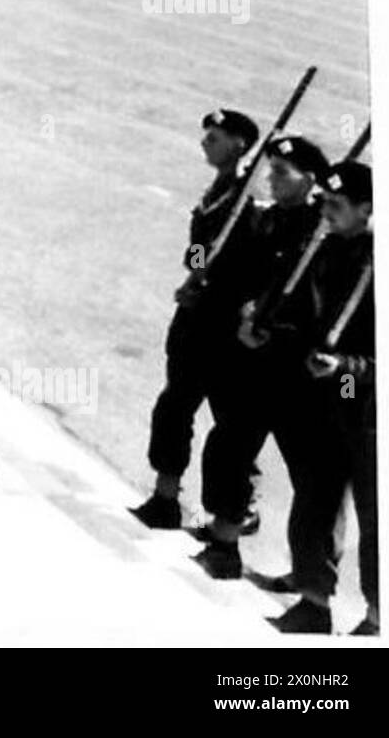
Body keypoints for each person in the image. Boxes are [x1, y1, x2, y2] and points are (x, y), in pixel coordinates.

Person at [191, 135, 327, 580]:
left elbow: (312, 303)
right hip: (245, 351)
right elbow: (211, 255)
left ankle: (310, 580)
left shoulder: (315, 230)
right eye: (269, 171)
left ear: (309, 180)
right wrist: (198, 272)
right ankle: (224, 535)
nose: (270, 179)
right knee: (228, 444)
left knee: (309, 473)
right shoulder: (254, 215)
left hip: (289, 365)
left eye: (281, 174)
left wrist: (269, 325)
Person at [131, 108, 260, 529]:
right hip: (195, 315)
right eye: (206, 136)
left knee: (230, 422)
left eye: (216, 137)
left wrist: (210, 281)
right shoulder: (217, 191)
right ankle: (166, 497)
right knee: (174, 405)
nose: (206, 143)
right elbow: (199, 249)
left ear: (240, 144)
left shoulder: (249, 199)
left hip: (222, 323)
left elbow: (250, 268)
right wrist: (195, 272)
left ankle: (242, 508)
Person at [265, 161, 376, 635]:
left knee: (378, 522)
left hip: (368, 407)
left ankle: (377, 620)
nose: (325, 212)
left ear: (366, 210)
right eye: (324, 202)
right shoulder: (327, 249)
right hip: (325, 399)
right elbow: (301, 311)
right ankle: (313, 600)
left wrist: (347, 368)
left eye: (336, 205)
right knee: (315, 501)